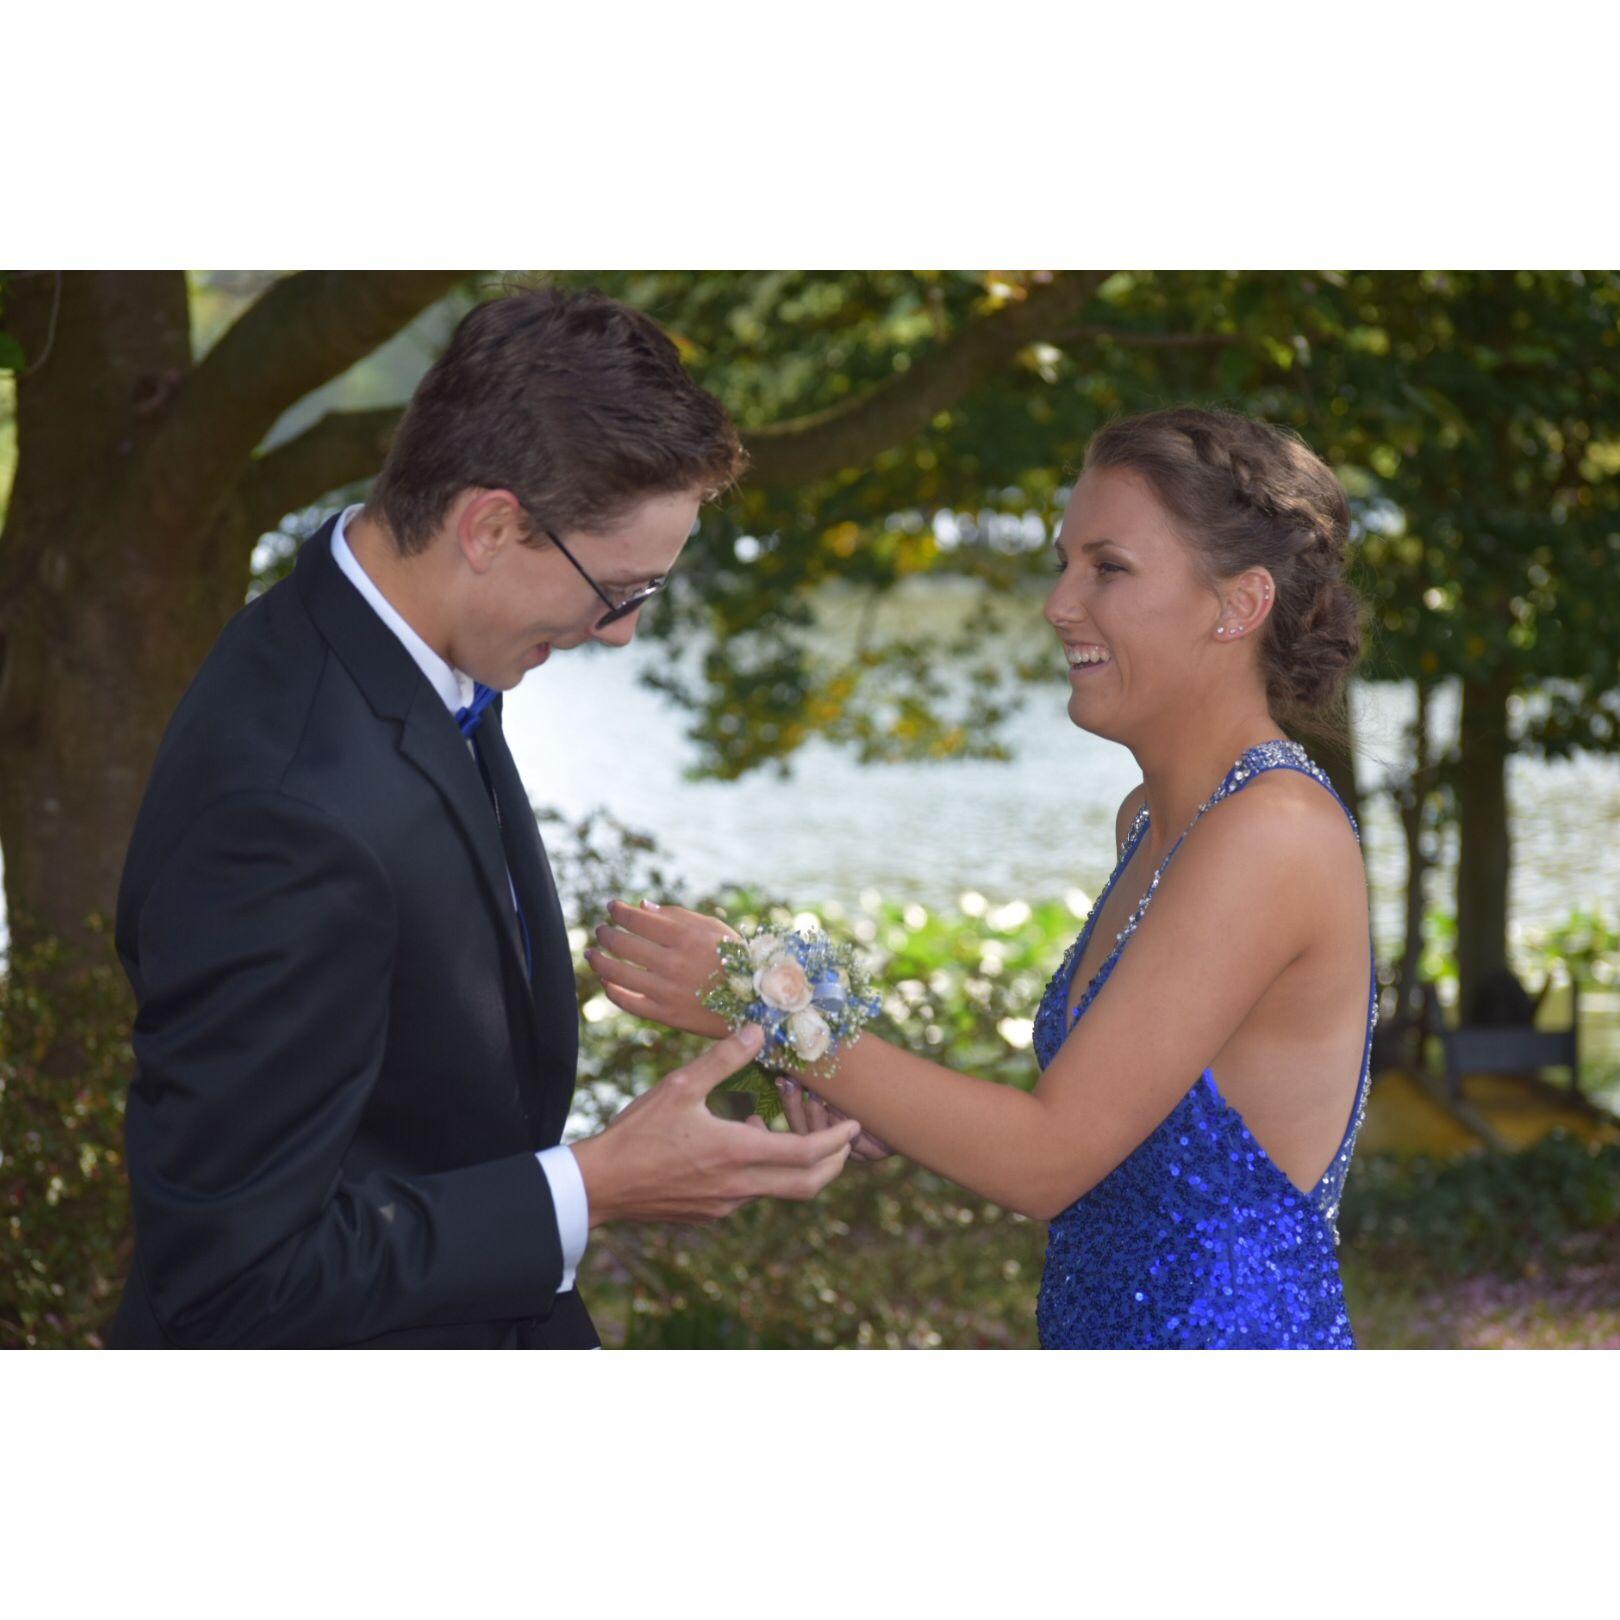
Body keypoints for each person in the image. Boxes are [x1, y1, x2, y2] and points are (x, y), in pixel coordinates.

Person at [108, 287, 859, 1350]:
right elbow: (232, 1279)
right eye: (620, 589)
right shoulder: (284, 812)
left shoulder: (400, 647)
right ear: (491, 527)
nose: (621, 634)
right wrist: (593, 1187)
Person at [587, 406, 1377, 1349]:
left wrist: (761, 999)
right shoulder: (1152, 819)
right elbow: (1104, 1133)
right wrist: (871, 1091)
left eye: (1108, 568)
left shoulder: (1272, 833)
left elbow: (1046, 1161)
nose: (1058, 603)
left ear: (1240, 604)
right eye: (1064, 562)